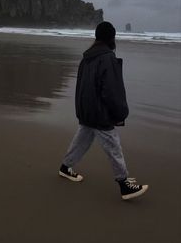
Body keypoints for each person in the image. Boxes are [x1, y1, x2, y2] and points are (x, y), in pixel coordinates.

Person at [58, 21, 148, 200]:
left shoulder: (86, 58)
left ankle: (65, 168)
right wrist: (121, 113)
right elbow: (112, 91)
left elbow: (80, 87)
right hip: (99, 114)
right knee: (114, 147)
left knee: (81, 141)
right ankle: (124, 185)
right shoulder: (107, 58)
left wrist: (81, 110)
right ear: (111, 38)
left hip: (86, 110)